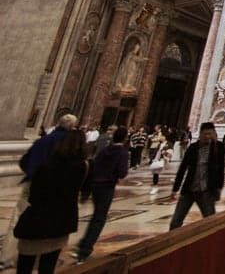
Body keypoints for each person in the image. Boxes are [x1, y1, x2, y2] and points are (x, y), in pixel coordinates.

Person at [1, 114, 78, 270]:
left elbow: (24, 161)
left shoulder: (44, 140)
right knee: (52, 221)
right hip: (55, 189)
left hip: (33, 184)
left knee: (21, 217)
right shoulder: (67, 144)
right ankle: (43, 258)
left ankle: (8, 256)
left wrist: (33, 174)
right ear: (72, 128)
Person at [14, 130, 88, 274]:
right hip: (61, 221)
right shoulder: (82, 167)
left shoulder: (45, 166)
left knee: (24, 266)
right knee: (48, 265)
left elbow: (33, 195)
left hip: (37, 219)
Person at [72, 127, 129, 263]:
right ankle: (84, 249)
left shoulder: (105, 150)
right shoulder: (122, 152)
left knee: (96, 216)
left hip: (95, 185)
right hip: (107, 186)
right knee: (99, 218)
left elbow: (95, 164)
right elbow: (122, 172)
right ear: (125, 138)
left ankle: (83, 244)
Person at [168, 122, 225, 229]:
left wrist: (219, 188)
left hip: (206, 191)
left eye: (210, 134)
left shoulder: (218, 148)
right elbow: (182, 168)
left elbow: (221, 169)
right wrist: (175, 189)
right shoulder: (193, 148)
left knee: (210, 222)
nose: (207, 136)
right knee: (175, 222)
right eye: (205, 134)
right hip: (189, 190)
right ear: (200, 134)